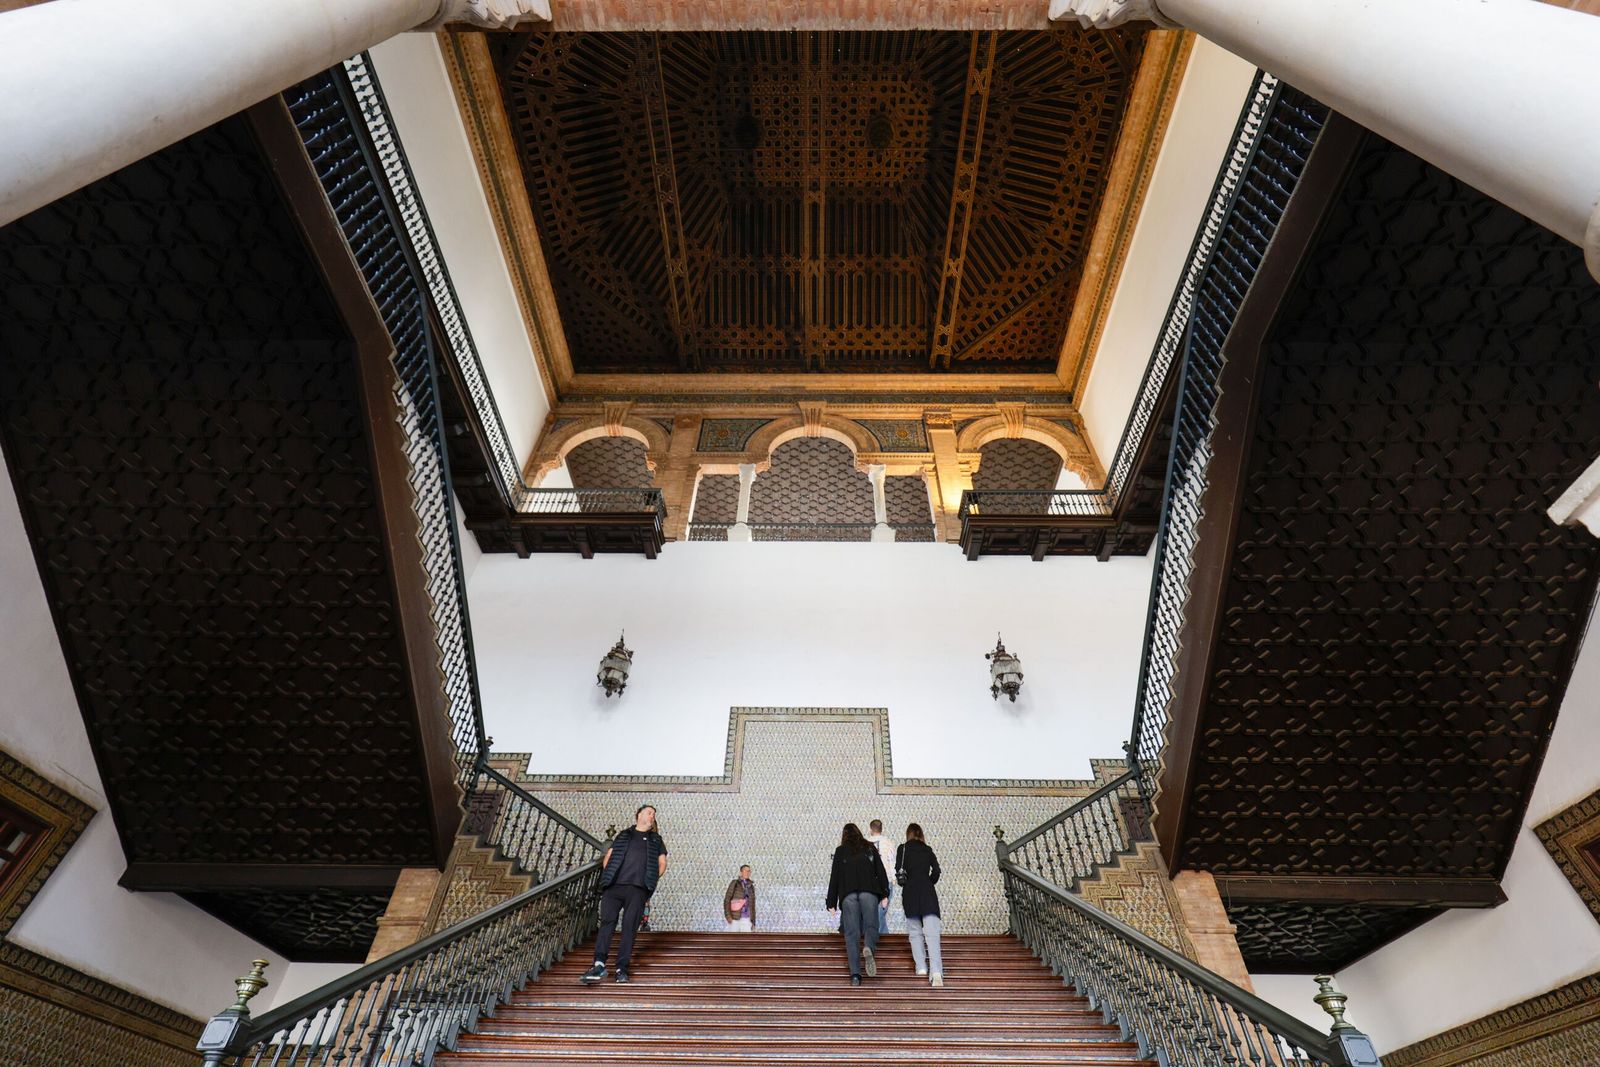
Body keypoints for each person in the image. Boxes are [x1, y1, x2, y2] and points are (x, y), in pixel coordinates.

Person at [582, 804, 667, 985]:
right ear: (639, 814)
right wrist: (610, 875)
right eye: (649, 812)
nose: (652, 816)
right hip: (614, 887)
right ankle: (598, 964)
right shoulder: (624, 835)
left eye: (654, 814)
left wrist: (648, 882)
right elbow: (609, 856)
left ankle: (622, 968)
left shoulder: (656, 840)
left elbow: (662, 864)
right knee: (606, 924)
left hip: (638, 889)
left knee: (629, 928)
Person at [825, 822, 889, 986]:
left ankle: (855, 975)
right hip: (869, 892)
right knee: (871, 926)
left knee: (851, 934)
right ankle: (868, 947)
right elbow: (880, 871)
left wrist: (831, 902)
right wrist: (885, 894)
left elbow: (835, 878)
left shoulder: (840, 851)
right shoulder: (869, 847)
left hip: (849, 895)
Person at [895, 822, 944, 987]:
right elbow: (936, 871)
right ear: (921, 834)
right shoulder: (927, 849)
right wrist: (929, 882)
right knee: (932, 933)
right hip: (927, 892)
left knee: (915, 932)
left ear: (908, 834)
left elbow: (898, 871)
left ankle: (921, 967)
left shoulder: (902, 849)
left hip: (910, 893)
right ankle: (936, 971)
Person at [865, 818, 895, 935]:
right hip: (886, 880)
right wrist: (893, 880)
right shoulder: (888, 843)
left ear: (870, 829)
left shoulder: (864, 843)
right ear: (881, 829)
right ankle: (882, 940)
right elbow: (892, 862)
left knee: (874, 913)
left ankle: (877, 939)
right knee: (880, 912)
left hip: (869, 882)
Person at [723, 864, 756, 931]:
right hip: (735, 917)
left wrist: (753, 921)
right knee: (733, 939)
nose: (747, 872)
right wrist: (728, 916)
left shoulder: (751, 886)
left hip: (747, 918)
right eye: (745, 871)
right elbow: (727, 899)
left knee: (747, 940)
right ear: (741, 872)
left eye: (749, 871)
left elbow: (753, 905)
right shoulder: (735, 883)